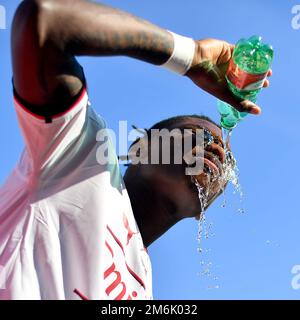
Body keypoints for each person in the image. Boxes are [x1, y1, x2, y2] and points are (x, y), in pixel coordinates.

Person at [0, 0, 271, 300]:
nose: (218, 150)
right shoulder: (80, 156)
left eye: (226, 157)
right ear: (140, 148)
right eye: (199, 137)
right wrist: (191, 56)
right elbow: (43, 20)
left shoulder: (143, 288)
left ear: (204, 211)